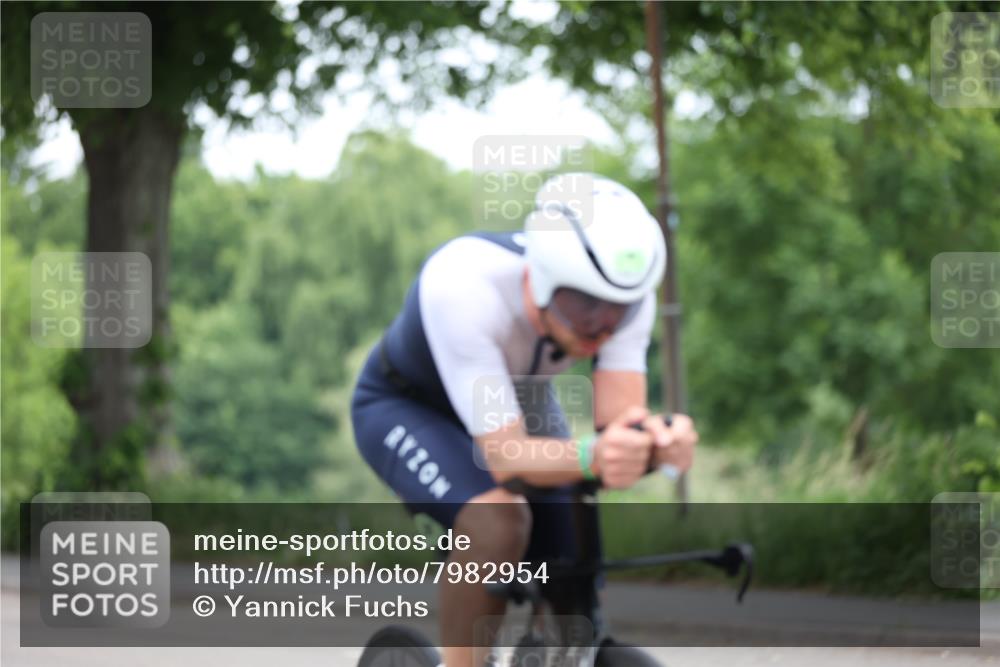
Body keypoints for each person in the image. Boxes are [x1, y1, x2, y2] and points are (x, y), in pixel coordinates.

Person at [351, 173, 699, 667]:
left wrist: (657, 443)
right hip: (408, 404)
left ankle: (564, 646)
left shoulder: (624, 297)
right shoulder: (463, 286)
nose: (602, 328)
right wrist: (593, 454)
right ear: (541, 279)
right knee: (498, 520)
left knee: (572, 505)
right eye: (582, 307)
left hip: (518, 393)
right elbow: (509, 460)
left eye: (617, 313)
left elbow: (620, 427)